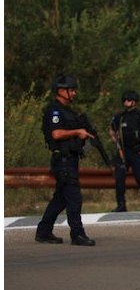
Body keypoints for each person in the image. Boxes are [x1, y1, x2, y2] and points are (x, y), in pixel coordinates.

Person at [35, 75, 96, 246]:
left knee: (61, 199)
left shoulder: (69, 111)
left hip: (70, 159)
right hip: (63, 160)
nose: (74, 93)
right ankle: (77, 234)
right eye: (72, 90)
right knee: (74, 197)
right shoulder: (54, 111)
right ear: (61, 91)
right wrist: (77, 132)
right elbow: (56, 134)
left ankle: (43, 231)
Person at [109, 90, 140, 212]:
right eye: (124, 100)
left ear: (134, 101)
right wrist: (115, 140)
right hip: (123, 152)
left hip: (138, 151)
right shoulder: (119, 116)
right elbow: (112, 130)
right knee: (119, 178)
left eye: (128, 100)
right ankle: (121, 205)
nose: (126, 102)